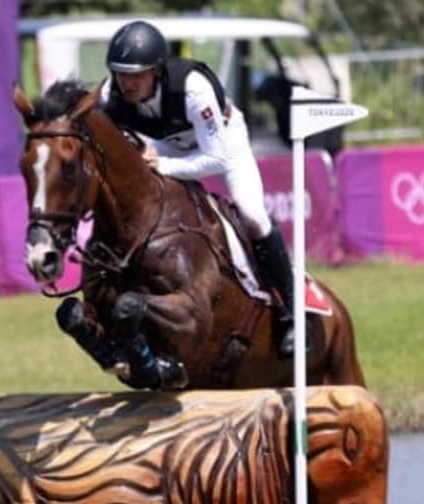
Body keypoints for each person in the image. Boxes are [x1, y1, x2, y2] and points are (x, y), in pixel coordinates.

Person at [98, 20, 300, 359]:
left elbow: (216, 159)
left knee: (252, 216)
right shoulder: (109, 94)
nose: (127, 83)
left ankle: (291, 312)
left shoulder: (192, 88)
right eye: (121, 73)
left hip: (223, 145)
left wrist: (163, 166)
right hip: (165, 146)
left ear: (157, 71)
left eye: (137, 74)